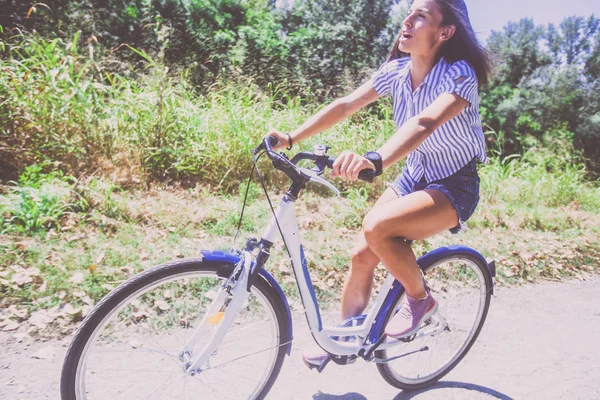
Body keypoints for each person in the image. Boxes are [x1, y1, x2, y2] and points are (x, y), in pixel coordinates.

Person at [265, 0, 492, 368]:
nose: (407, 20)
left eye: (421, 16)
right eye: (409, 12)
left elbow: (424, 123)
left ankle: (420, 299)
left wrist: (375, 159)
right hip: (415, 175)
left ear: (445, 32)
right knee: (362, 253)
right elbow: (345, 105)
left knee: (377, 227)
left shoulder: (460, 74)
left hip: (455, 185)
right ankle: (342, 339)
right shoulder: (397, 72)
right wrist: (292, 138)